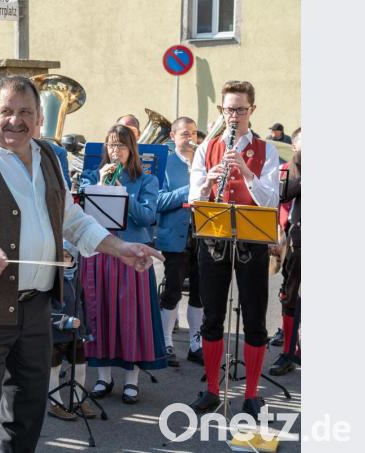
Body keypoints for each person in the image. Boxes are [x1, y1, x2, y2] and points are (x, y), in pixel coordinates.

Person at [0, 75, 164, 453]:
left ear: (39, 120)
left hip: (36, 308)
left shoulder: (49, 156)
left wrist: (121, 247)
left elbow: (72, 220)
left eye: (25, 112)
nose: (15, 120)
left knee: (29, 407)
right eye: (6, 111)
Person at [187, 80, 280, 418]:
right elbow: (193, 198)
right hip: (214, 237)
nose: (234, 117)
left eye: (240, 110)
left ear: (252, 110)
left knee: (254, 319)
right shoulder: (206, 148)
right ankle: (212, 389)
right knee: (212, 317)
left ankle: (252, 394)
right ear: (222, 111)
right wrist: (209, 182)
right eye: (229, 110)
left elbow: (271, 200)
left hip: (252, 240)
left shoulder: (266, 150)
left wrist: (245, 171)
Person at [80, 124, 167, 405]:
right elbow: (80, 214)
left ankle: (131, 380)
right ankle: (103, 377)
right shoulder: (93, 176)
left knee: (131, 317)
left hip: (132, 257)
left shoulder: (146, 180)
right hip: (101, 253)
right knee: (100, 313)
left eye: (121, 145)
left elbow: (146, 217)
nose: (115, 151)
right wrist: (99, 187)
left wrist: (122, 193)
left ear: (132, 149)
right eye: (111, 145)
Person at [156, 116, 204, 367]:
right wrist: (191, 189)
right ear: (173, 136)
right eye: (184, 133)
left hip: (203, 233)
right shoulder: (165, 163)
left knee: (201, 291)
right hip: (176, 236)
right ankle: (166, 342)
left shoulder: (203, 160)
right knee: (172, 290)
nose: (190, 138)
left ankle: (196, 344)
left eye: (194, 133)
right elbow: (159, 201)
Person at [47, 240, 95, 421]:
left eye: (69, 256)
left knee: (81, 365)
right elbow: (45, 309)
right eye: (62, 256)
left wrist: (86, 328)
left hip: (75, 333)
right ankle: (55, 403)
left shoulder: (75, 277)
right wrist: (64, 321)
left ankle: (77, 400)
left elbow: (82, 305)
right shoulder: (50, 279)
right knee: (54, 368)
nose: (66, 260)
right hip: (56, 334)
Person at [269, 127, 301, 376]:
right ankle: (289, 352)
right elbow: (283, 194)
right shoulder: (290, 170)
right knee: (289, 297)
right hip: (296, 241)